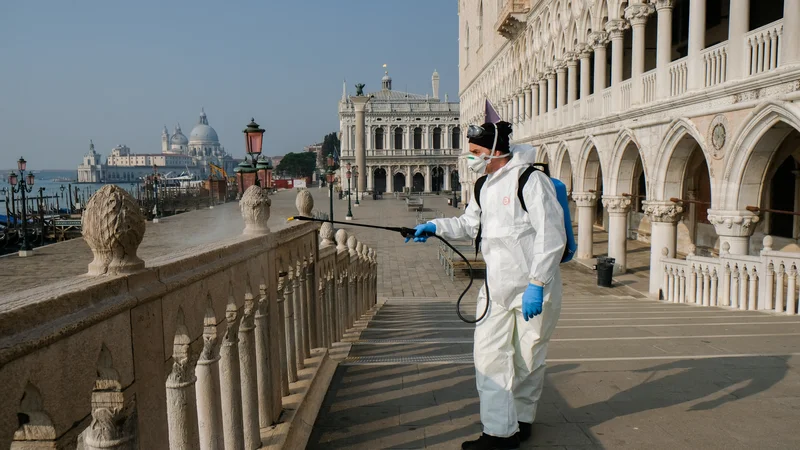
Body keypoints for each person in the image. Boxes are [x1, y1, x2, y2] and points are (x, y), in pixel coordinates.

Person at [408, 121, 566, 450]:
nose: (471, 157)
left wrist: (537, 283)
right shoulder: (483, 185)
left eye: (476, 152)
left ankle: (521, 420)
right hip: (495, 289)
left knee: (528, 358)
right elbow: (469, 224)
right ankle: (498, 432)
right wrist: (434, 225)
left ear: (495, 151)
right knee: (489, 358)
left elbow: (553, 237)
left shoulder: (531, 181)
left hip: (534, 289)